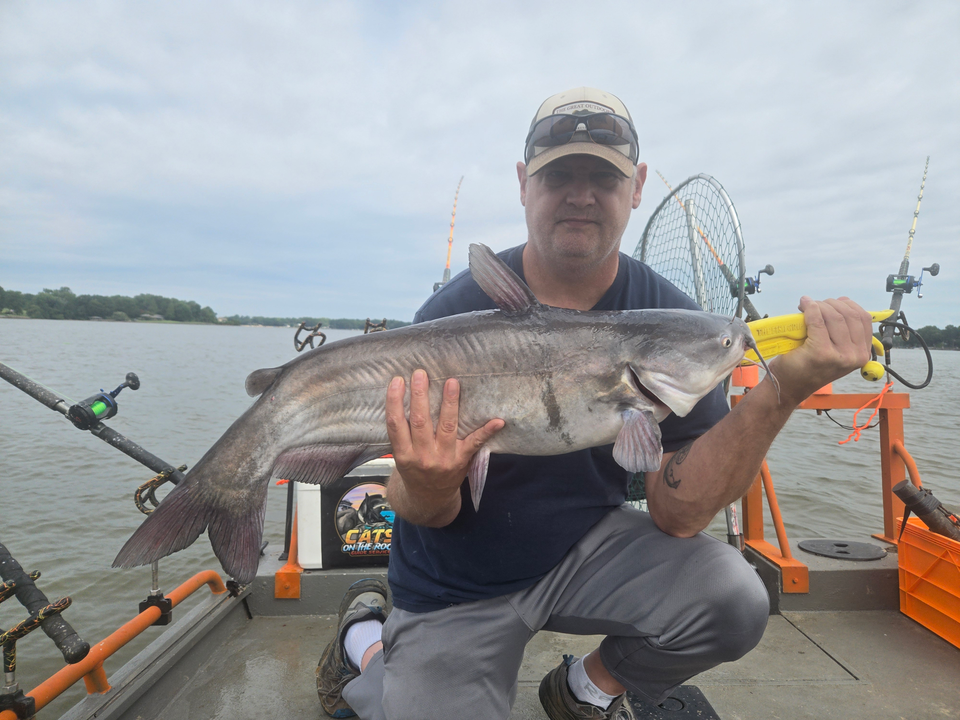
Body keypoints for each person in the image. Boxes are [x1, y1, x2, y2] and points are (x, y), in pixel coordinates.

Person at [316, 87, 874, 720]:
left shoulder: (674, 324)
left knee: (735, 598)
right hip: (457, 584)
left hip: (584, 551)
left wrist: (783, 389)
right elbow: (416, 507)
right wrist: (426, 481)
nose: (580, 195)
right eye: (559, 176)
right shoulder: (455, 314)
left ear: (635, 187)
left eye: (602, 178)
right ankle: (365, 642)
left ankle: (586, 688)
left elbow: (677, 514)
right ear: (524, 184)